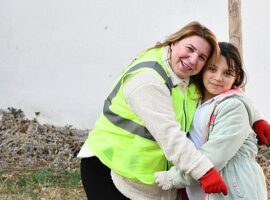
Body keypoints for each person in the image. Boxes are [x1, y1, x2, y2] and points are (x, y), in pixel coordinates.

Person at [77, 21, 229, 200]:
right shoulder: (149, 81)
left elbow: (220, 86)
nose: (193, 59)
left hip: (147, 179)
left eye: (202, 57)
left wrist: (251, 114)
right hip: (110, 170)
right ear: (173, 43)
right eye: (189, 48)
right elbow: (170, 135)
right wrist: (203, 171)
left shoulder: (185, 76)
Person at [155, 42, 268, 200]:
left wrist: (174, 178)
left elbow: (216, 155)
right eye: (212, 69)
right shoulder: (193, 99)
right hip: (200, 185)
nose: (218, 78)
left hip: (234, 186)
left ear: (236, 77)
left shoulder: (233, 107)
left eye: (227, 73)